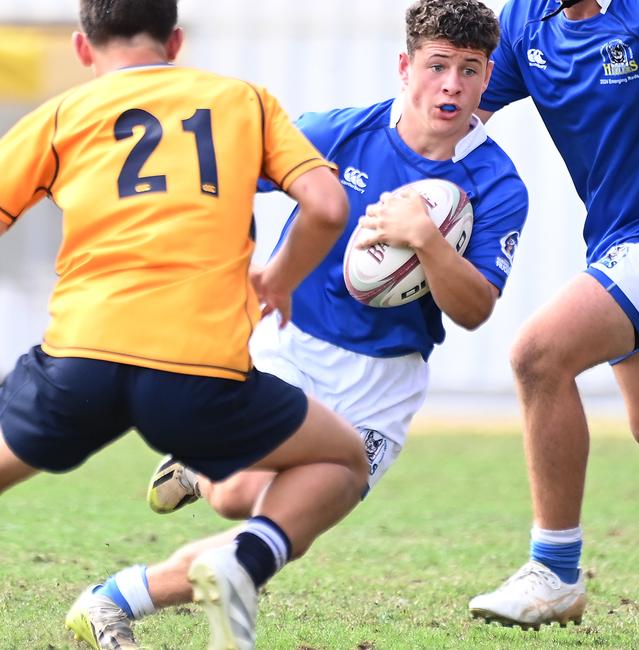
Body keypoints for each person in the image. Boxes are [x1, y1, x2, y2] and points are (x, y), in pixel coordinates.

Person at [66, 2, 528, 647]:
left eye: (470, 70)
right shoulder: (339, 134)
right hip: (292, 346)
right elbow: (221, 174)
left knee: (287, 527)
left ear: (486, 81)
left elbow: (475, 310)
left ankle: (113, 598)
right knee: (241, 496)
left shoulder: (498, 183)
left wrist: (427, 241)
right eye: (437, 65)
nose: (451, 84)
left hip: (386, 384)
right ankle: (199, 473)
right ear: (405, 67)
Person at [0, 1, 373, 649]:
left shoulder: (61, 116)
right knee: (342, 460)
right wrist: (280, 277)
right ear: (175, 40)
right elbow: (327, 204)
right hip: (197, 372)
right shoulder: (243, 101)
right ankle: (240, 562)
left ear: (83, 50)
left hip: (82, 357)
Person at [468, 0, 639, 631]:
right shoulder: (524, 21)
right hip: (617, 238)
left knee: (540, 354)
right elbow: (465, 115)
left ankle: (555, 572)